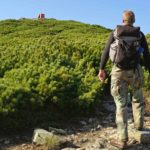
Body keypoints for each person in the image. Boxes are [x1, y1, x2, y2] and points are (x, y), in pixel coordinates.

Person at [98, 10, 150, 149]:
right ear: (134, 21)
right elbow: (147, 54)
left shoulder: (115, 33)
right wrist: (148, 70)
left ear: (123, 20)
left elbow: (105, 51)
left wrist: (101, 69)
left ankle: (123, 140)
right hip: (136, 72)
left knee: (121, 105)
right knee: (138, 99)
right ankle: (139, 126)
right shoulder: (139, 34)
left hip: (118, 72)